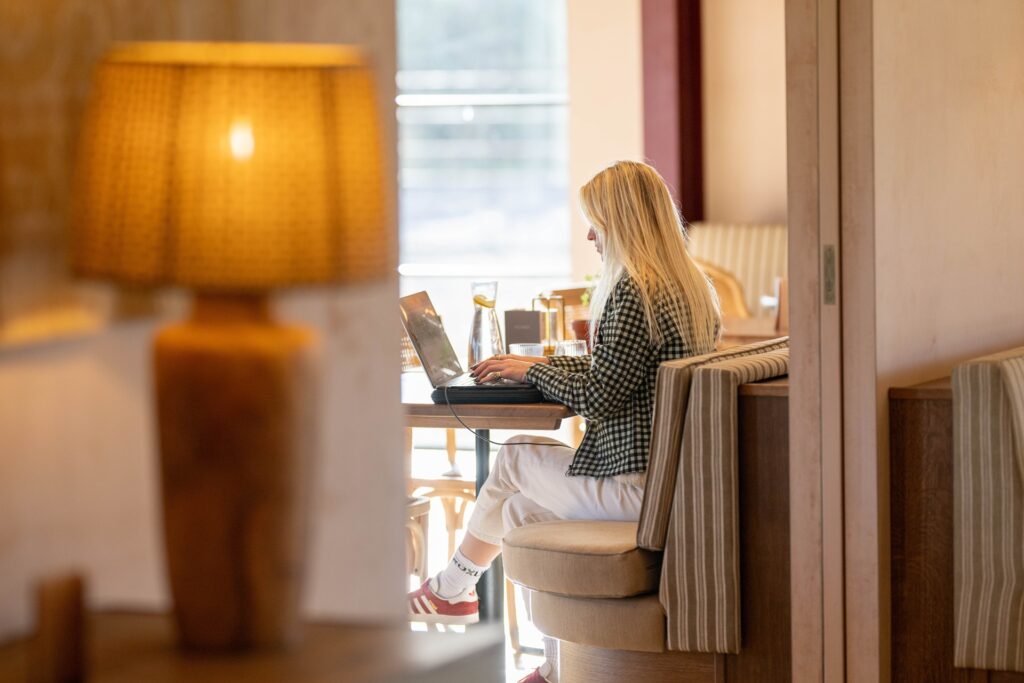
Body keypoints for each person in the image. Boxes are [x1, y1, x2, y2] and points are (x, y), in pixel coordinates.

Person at [407, 160, 722, 683]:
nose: (591, 234)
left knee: (511, 456)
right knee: (521, 513)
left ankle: (451, 590)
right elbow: (617, 372)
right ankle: (551, 667)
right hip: (669, 484)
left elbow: (600, 394)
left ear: (621, 221)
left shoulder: (633, 291)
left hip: (638, 492)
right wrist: (541, 366)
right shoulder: (689, 288)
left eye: (596, 221)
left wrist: (533, 368)